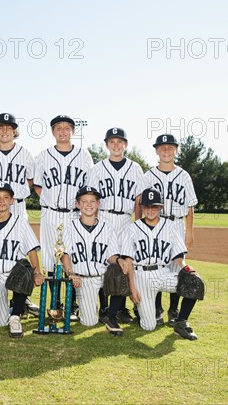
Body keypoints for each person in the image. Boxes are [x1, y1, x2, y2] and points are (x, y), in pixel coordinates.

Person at [0, 113, 39, 317]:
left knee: (19, 251)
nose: (4, 131)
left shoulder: (25, 153)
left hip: (17, 204)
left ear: (14, 131)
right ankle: (0, 297)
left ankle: (22, 298)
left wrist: (15, 195)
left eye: (8, 128)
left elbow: (30, 180)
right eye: (0, 127)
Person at [33, 115, 93, 321]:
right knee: (50, 259)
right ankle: (54, 302)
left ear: (73, 132)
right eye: (58, 128)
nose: (63, 131)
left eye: (67, 128)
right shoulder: (43, 156)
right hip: (50, 213)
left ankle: (73, 303)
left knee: (73, 256)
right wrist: (49, 200)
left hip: (75, 214)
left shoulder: (84, 156)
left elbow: (88, 188)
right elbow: (37, 184)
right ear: (53, 132)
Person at [121, 187, 199, 340]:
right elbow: (128, 261)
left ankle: (181, 322)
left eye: (154, 206)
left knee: (194, 283)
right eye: (147, 206)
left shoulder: (170, 226)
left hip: (163, 273)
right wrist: (132, 288)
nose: (150, 210)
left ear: (161, 207)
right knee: (149, 326)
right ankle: (142, 309)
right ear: (141, 207)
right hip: (141, 276)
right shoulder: (132, 229)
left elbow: (178, 256)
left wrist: (187, 269)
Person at [87, 127, 146, 324]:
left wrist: (138, 226)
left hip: (125, 220)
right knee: (103, 264)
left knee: (126, 264)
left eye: (119, 141)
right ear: (106, 145)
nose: (116, 145)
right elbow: (92, 199)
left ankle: (120, 308)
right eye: (112, 142)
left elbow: (139, 200)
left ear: (126, 144)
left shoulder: (135, 168)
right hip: (103, 218)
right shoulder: (97, 169)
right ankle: (104, 307)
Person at [143, 134, 198, 326]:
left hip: (176, 225)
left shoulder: (184, 176)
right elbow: (140, 203)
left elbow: (190, 206)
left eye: (170, 147)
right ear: (156, 151)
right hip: (155, 224)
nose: (166, 150)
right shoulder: (148, 176)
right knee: (157, 267)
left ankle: (173, 311)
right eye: (162, 147)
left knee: (177, 270)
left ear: (176, 150)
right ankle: (157, 309)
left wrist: (189, 232)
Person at [0, 182, 45, 338]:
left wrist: (37, 272)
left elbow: (31, 250)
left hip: (15, 272)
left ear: (12, 200)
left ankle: (15, 315)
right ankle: (21, 306)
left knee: (25, 270)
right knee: (0, 321)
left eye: (6, 197)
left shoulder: (20, 222)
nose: (2, 201)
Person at [60, 186, 125, 336]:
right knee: (89, 322)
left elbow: (111, 255)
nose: (88, 205)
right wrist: (71, 273)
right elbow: (65, 254)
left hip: (103, 276)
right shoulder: (70, 227)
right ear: (77, 204)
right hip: (83, 279)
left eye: (92, 201)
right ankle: (96, 309)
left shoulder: (107, 227)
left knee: (120, 270)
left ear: (98, 204)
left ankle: (111, 315)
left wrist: (120, 260)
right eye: (84, 201)